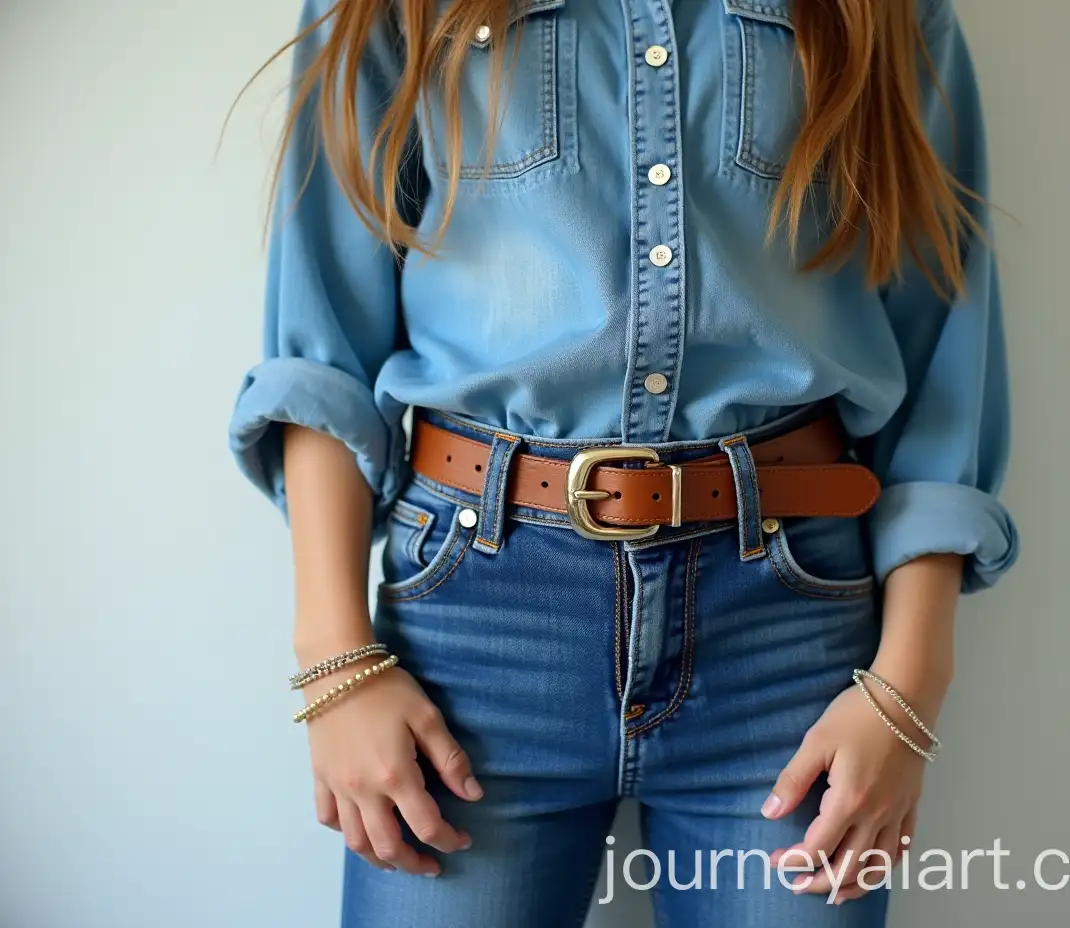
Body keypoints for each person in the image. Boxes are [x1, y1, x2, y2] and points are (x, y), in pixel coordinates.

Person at [228, 0, 1018, 924]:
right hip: (476, 633)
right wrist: (334, 659)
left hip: (788, 641)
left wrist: (909, 688)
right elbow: (321, 342)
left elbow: (942, 350)